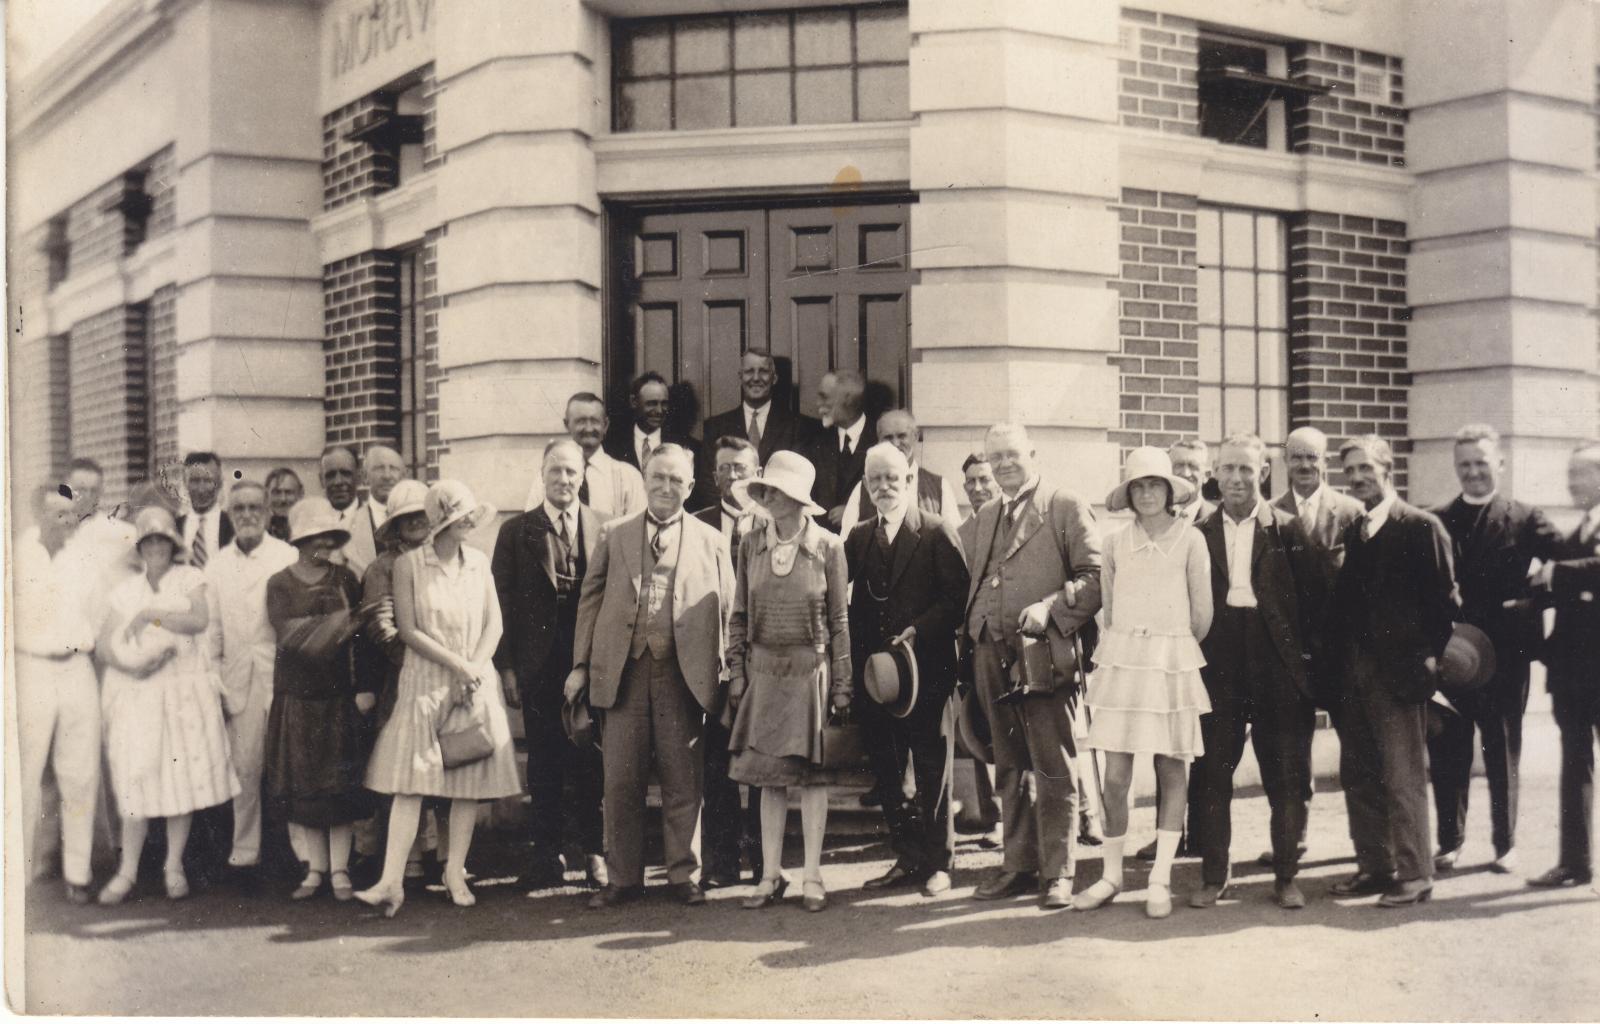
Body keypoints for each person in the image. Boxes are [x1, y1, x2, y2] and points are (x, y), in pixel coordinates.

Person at [567, 444, 734, 909]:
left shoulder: (711, 540)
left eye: (676, 480)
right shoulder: (613, 534)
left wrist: (727, 672)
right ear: (644, 477)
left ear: (691, 486)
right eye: (658, 477)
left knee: (684, 779)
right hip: (622, 671)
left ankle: (684, 874)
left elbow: (729, 609)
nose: (665, 487)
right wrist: (581, 665)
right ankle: (622, 878)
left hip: (685, 674)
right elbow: (590, 601)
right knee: (620, 781)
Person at [358, 481, 521, 916]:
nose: (469, 523)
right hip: (426, 682)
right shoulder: (409, 565)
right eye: (460, 518)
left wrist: (473, 667)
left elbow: (495, 625)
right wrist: (458, 665)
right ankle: (391, 882)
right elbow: (409, 630)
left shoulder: (480, 562)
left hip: (472, 681)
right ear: (444, 524)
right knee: (412, 782)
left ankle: (455, 872)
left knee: (466, 783)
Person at [961, 423, 1102, 910]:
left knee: (1053, 762)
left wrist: (1051, 609)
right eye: (994, 456)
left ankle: (1058, 871)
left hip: (1043, 653)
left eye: (1011, 455)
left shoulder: (1064, 506)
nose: (1002, 464)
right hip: (989, 649)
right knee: (1008, 763)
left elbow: (1095, 576)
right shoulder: (984, 515)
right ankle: (1017, 863)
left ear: (1033, 454)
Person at [1072, 447, 1212, 918]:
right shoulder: (1113, 542)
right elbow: (1110, 607)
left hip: (1172, 661)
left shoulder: (1191, 540)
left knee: (1173, 767)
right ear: (1129, 494)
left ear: (1171, 491)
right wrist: (1134, 645)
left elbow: (1201, 616)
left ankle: (1160, 878)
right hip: (1124, 661)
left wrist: (1168, 650)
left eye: (1155, 484)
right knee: (1115, 775)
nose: (1148, 492)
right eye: (1139, 485)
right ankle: (1111, 875)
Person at [1189, 434, 1322, 911]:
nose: (1237, 479)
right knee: (1212, 777)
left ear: (1264, 473)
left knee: (1285, 777)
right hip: (1218, 667)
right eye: (1228, 469)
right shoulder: (1199, 532)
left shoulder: (1288, 530)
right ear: (1216, 474)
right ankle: (1213, 876)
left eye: (1247, 469)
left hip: (1276, 668)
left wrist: (1305, 673)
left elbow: (1315, 607)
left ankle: (1286, 876)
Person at [1326, 435, 1457, 908]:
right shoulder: (1357, 529)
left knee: (1402, 776)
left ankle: (1416, 872)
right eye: (1350, 471)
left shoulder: (1421, 527)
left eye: (1366, 468)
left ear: (1388, 468)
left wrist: (1425, 661)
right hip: (1354, 675)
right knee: (1359, 774)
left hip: (1399, 675)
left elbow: (1445, 605)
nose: (1358, 478)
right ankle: (1375, 866)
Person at [1427, 424, 1563, 875]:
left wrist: (1533, 601)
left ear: (1499, 464)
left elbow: (1567, 564)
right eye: (1464, 465)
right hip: (1453, 657)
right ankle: (1450, 841)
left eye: (1481, 463)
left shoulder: (1525, 517)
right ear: (1455, 468)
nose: (1473, 473)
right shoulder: (1437, 519)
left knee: (1502, 750)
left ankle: (1505, 844)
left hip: (1508, 655)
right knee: (1449, 750)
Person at [724, 450, 851, 912]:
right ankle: (770, 874)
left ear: (799, 498)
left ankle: (813, 876)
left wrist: (842, 683)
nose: (767, 496)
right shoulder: (749, 545)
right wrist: (736, 670)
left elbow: (839, 620)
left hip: (809, 672)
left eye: (776, 490)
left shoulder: (829, 548)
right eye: (764, 489)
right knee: (768, 778)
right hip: (763, 674)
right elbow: (738, 614)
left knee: (812, 780)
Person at [96, 507, 240, 904]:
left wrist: (151, 615)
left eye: (162, 540)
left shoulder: (190, 578)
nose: (156, 547)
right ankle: (126, 873)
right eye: (149, 541)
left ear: (173, 545)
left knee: (180, 780)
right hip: (141, 692)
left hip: (182, 693)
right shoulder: (125, 590)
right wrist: (135, 667)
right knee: (137, 778)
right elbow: (107, 644)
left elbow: (197, 621)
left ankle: (173, 866)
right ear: (140, 547)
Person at [846, 443, 969, 896]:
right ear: (865, 484)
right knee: (887, 767)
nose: (883, 487)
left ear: (909, 480)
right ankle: (907, 854)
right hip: (878, 677)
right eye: (875, 479)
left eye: (892, 478)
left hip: (927, 674)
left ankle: (940, 862)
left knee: (933, 767)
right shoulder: (859, 536)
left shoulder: (936, 532)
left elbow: (957, 601)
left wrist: (918, 629)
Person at [492, 439, 607, 891]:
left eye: (572, 472)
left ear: (583, 477)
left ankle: (595, 852)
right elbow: (499, 604)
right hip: (537, 666)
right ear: (542, 474)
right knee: (544, 764)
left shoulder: (604, 528)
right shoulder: (516, 532)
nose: (563, 479)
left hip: (590, 663)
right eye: (555, 471)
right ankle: (547, 853)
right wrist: (507, 669)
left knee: (590, 762)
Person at [1256, 424, 1361, 867]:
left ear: (1325, 462)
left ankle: (1368, 848)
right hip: (1289, 659)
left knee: (1357, 753)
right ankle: (1291, 842)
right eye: (1296, 456)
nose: (1304, 465)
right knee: (1289, 758)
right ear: (1284, 460)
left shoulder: (1352, 513)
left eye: (1312, 457)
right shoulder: (1266, 514)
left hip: (1342, 656)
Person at [264, 498, 376, 901]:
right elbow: (290, 637)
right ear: (298, 540)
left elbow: (363, 640)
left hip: (340, 698)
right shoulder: (278, 583)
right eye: (312, 537)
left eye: (327, 536)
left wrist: (364, 686)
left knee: (339, 788)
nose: (321, 544)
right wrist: (345, 622)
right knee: (307, 789)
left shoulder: (347, 579)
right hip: (298, 698)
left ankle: (341, 871)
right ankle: (315, 870)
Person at [205, 480, 298, 882]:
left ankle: (299, 852)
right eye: (239, 508)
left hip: (281, 674)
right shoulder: (216, 565)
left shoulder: (287, 557)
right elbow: (212, 630)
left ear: (267, 513)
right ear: (229, 514)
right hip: (237, 677)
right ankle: (246, 852)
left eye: (254, 508)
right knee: (244, 767)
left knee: (289, 766)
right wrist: (212, 673)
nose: (246, 515)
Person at [15, 485, 103, 903]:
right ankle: (17, 871)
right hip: (31, 666)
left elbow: (101, 615)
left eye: (70, 515)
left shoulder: (84, 559)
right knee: (24, 772)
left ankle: (78, 873)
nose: (66, 523)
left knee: (79, 773)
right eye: (57, 515)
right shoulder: (15, 554)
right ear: (38, 515)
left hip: (76, 667)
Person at [1134, 438, 1217, 864]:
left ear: (1207, 474)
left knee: (1202, 750)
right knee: (1163, 746)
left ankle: (1201, 835)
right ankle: (1171, 832)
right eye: (1178, 466)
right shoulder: (1152, 522)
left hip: (1208, 651)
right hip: (1161, 655)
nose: (1186, 474)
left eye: (1193, 468)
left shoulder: (1215, 521)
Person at [358, 479, 441, 886]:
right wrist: (414, 659)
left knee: (444, 761)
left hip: (443, 673)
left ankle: (438, 852)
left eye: (422, 515)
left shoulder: (443, 558)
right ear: (393, 525)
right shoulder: (382, 567)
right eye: (406, 518)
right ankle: (403, 858)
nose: (415, 523)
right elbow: (380, 622)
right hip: (403, 675)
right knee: (405, 765)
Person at [1526, 442, 1600, 889]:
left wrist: (1553, 573)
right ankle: (1575, 862)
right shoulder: (1578, 530)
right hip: (1572, 672)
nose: (1572, 483)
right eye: (1570, 474)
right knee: (1575, 765)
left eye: (1581, 474)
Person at [693, 435, 766, 887]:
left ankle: (763, 861)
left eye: (742, 468)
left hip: (760, 662)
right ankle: (721, 863)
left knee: (758, 766)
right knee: (716, 768)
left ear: (757, 474)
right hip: (709, 661)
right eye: (726, 469)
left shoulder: (772, 526)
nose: (734, 476)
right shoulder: (697, 525)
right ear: (713, 476)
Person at [524, 392, 647, 522]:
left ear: (605, 425)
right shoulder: (547, 476)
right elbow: (531, 526)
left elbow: (637, 532)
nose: (588, 428)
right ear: (567, 425)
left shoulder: (628, 477)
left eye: (595, 421)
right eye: (581, 421)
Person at [839, 410, 962, 537]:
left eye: (902, 436)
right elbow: (846, 543)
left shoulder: (939, 486)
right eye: (888, 437)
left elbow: (954, 539)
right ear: (879, 440)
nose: (895, 443)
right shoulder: (863, 489)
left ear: (915, 436)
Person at [700, 348, 821, 477]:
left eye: (763, 371)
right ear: (740, 377)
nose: (756, 378)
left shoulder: (798, 428)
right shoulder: (715, 428)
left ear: (774, 378)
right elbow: (708, 484)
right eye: (749, 371)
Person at [604, 370, 703, 476]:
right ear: (634, 402)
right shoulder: (612, 446)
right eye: (652, 403)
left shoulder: (686, 446)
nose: (659, 411)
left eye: (664, 404)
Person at [810, 370, 874, 531]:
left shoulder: (881, 440)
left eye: (824, 397)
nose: (818, 404)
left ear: (849, 399)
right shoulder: (812, 442)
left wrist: (856, 511)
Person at [321, 447, 378, 577]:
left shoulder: (374, 519)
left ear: (359, 477)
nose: (338, 482)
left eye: (345, 474)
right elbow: (310, 560)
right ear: (321, 480)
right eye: (330, 475)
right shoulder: (313, 523)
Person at [178, 451, 234, 568]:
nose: (201, 489)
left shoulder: (233, 525)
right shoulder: (175, 527)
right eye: (195, 481)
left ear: (219, 483)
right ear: (185, 483)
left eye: (208, 481)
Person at [265, 467, 306, 543]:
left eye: (288, 492)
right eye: (276, 492)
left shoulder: (310, 528)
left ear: (301, 493)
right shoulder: (261, 532)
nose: (283, 499)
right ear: (266, 495)